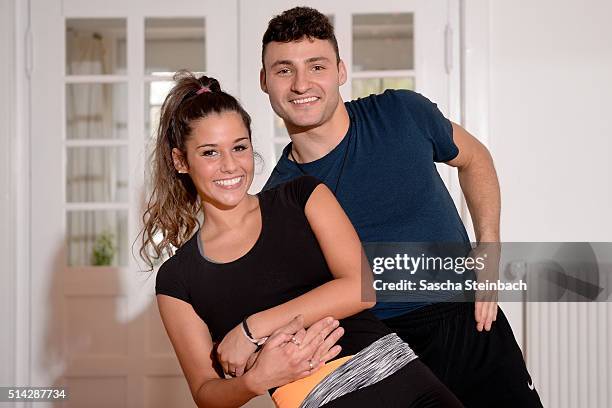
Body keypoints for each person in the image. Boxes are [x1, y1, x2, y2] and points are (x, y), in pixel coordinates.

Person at [254, 6, 543, 408]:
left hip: (467, 320)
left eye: (316, 66)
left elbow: (476, 158)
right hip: (378, 349)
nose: (302, 83)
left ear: (340, 71)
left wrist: (489, 245)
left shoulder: (401, 113)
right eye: (284, 70)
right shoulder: (280, 200)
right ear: (265, 81)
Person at [141, 71, 464, 407]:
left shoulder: (302, 196)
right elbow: (206, 393)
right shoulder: (178, 279)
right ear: (181, 161)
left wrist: (251, 329)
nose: (230, 165)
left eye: (239, 147)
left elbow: (359, 288)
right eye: (210, 153)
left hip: (407, 385)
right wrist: (256, 380)